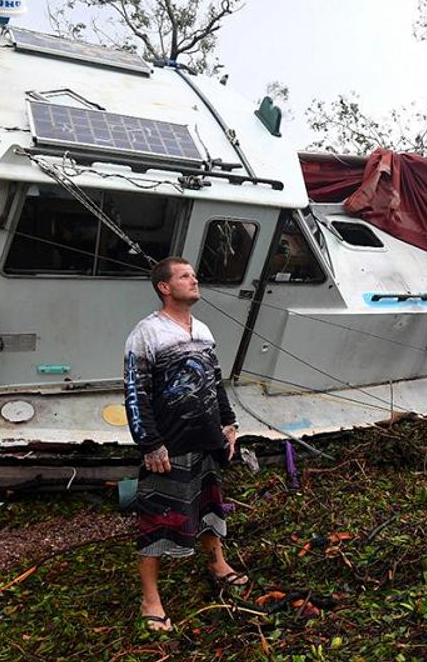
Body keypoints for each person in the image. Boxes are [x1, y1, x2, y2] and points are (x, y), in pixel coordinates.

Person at [123, 256, 246, 633]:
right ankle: (150, 598)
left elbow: (215, 382)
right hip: (169, 446)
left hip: (206, 439)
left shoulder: (203, 330)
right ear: (165, 287)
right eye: (184, 276)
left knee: (209, 506)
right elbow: (135, 392)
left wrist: (229, 423)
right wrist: (150, 443)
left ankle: (217, 564)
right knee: (157, 519)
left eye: (194, 275)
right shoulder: (146, 333)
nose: (194, 280)